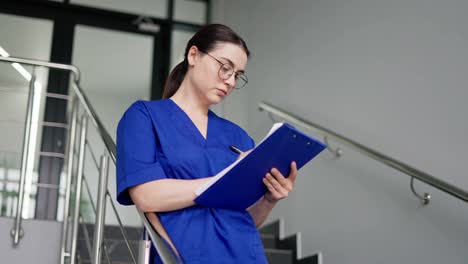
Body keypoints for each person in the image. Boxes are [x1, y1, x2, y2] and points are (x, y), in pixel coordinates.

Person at [116, 24, 298, 263]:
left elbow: (241, 219)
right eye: (225, 68)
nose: (231, 81)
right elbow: (147, 196)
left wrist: (268, 200)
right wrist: (226, 177)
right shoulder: (144, 116)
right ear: (193, 55)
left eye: (238, 75)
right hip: (183, 254)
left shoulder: (239, 137)